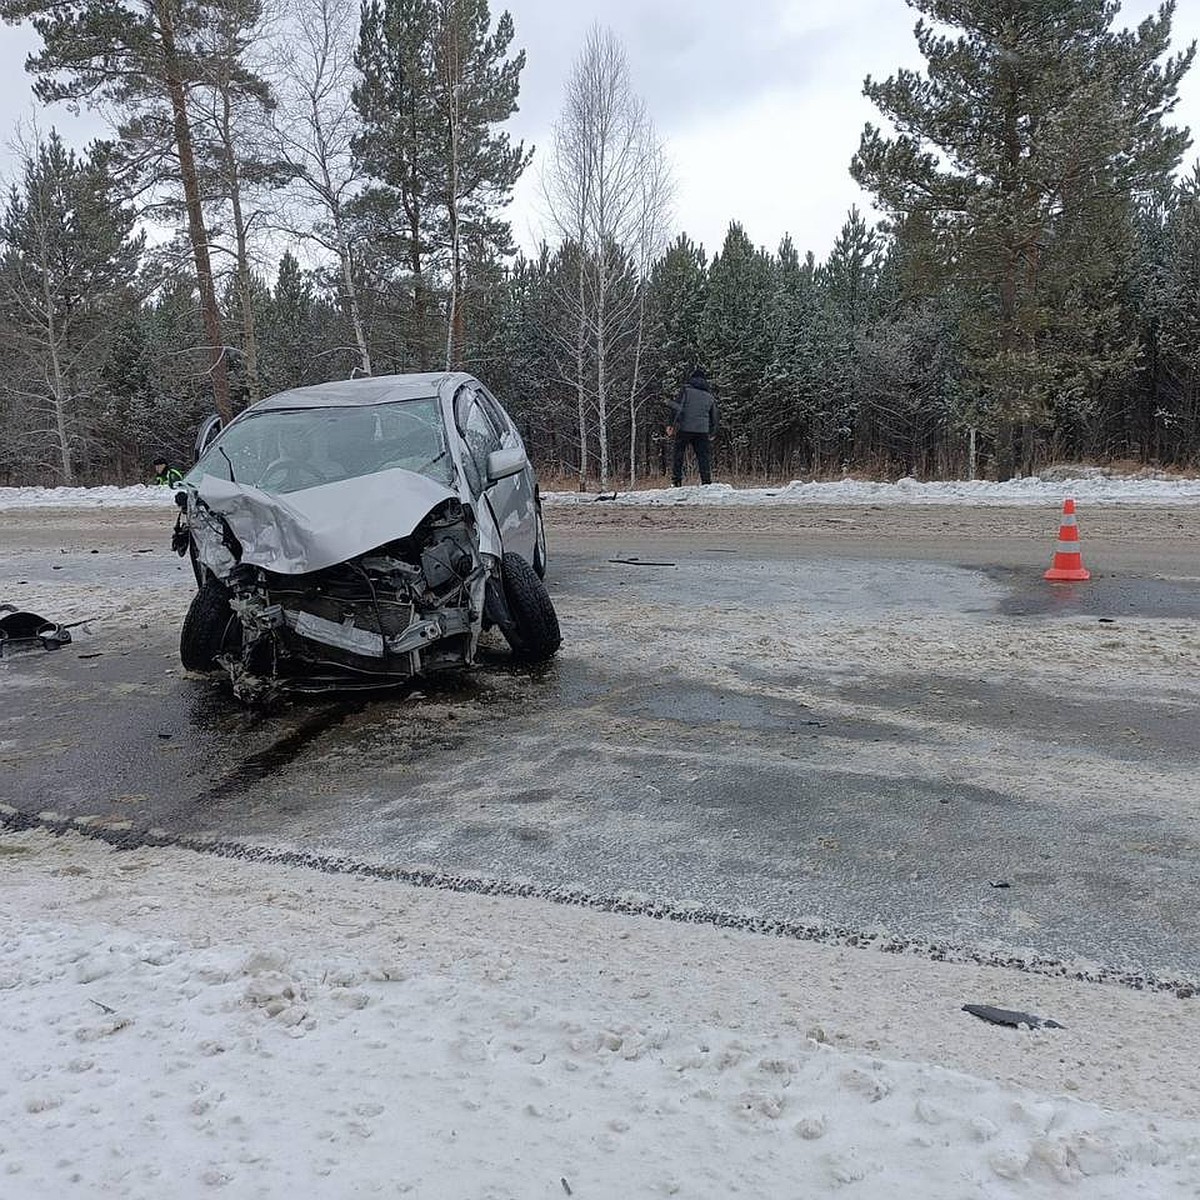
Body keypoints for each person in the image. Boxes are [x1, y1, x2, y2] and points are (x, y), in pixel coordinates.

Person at [667, 367, 718, 486]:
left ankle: (676, 481)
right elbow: (714, 415)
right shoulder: (709, 395)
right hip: (702, 430)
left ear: (692, 378)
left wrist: (671, 424)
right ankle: (706, 482)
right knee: (703, 457)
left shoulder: (685, 390)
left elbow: (677, 407)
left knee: (679, 454)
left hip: (685, 427)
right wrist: (713, 431)